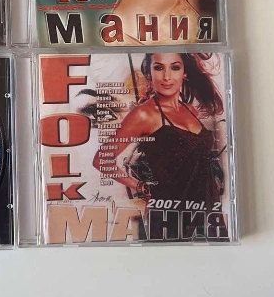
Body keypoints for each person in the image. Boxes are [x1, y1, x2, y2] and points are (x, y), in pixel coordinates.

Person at [93, 53, 224, 208]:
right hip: (170, 212)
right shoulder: (143, 114)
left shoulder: (191, 110)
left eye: (175, 68)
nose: (167, 77)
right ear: (149, 74)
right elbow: (102, 160)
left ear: (185, 73)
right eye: (158, 68)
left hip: (208, 207)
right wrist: (140, 186)